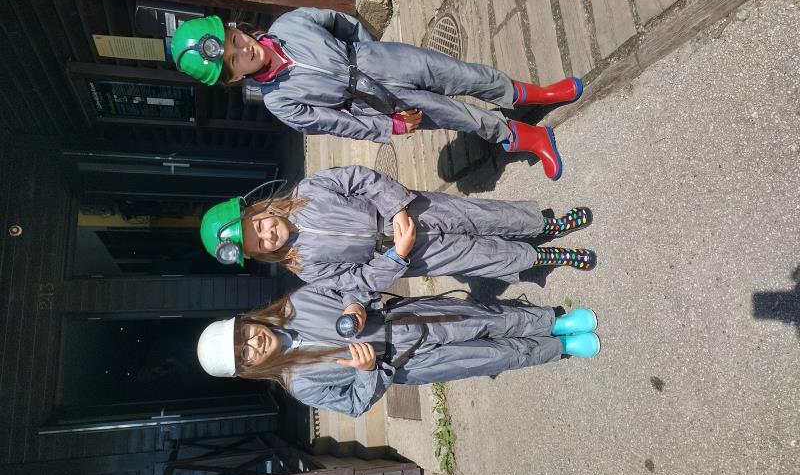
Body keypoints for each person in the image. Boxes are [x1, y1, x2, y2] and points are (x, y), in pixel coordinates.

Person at [170, 9, 585, 181]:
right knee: (457, 115)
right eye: (234, 60)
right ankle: (526, 137)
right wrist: (389, 125)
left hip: (381, 59)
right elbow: (336, 122)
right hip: (374, 103)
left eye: (235, 40)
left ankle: (537, 95)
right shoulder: (278, 100)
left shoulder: (288, 25)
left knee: (464, 75)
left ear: (235, 28)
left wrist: (371, 50)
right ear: (233, 78)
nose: (243, 50)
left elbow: (339, 21)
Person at [196, 286, 601, 417]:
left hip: (408, 320)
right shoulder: (300, 386)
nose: (253, 344)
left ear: (247, 321)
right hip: (408, 365)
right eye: (244, 355)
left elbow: (350, 285)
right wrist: (366, 372)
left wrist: (355, 305)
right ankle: (559, 347)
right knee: (493, 356)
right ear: (247, 369)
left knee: (489, 320)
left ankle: (553, 321)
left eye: (244, 335)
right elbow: (354, 405)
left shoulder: (298, 303)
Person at [201, 165, 596, 292]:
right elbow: (358, 281)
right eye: (259, 244)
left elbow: (360, 178)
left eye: (259, 227)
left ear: (258, 211)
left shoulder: (310, 190)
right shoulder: (305, 268)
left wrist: (395, 208)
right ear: (260, 254)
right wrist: (396, 256)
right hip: (407, 254)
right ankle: (545, 256)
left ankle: (546, 223)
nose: (267, 235)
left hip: (411, 211)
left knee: (484, 215)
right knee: (481, 256)